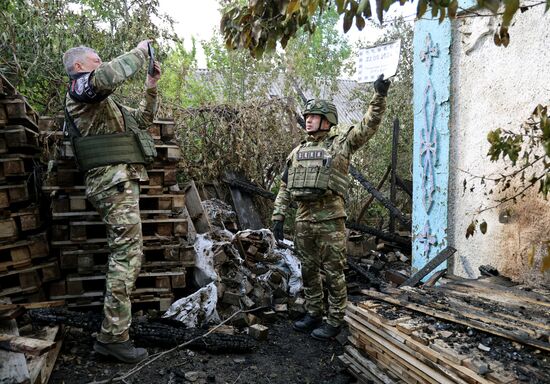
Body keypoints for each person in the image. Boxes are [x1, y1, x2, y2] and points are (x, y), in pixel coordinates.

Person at [62, 40, 161, 363]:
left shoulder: (103, 104)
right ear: (79, 66)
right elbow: (106, 77)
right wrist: (139, 51)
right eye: (96, 59)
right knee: (127, 256)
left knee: (127, 254)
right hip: (111, 182)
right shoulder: (80, 89)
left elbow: (142, 121)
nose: (101, 63)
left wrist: (151, 87)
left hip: (118, 182)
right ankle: (113, 336)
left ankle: (114, 333)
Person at [271, 76, 391, 340]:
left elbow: (369, 125)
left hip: (330, 222)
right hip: (303, 221)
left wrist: (379, 97)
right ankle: (314, 312)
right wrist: (278, 215)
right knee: (309, 270)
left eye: (314, 115)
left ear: (327, 120)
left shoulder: (342, 143)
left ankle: (335, 319)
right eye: (307, 116)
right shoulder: (297, 152)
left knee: (334, 272)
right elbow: (284, 186)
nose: (308, 119)